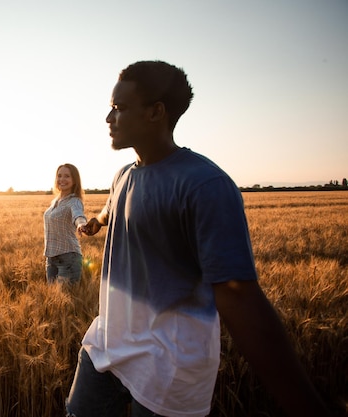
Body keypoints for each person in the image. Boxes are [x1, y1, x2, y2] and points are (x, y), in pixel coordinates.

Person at [65, 61, 331, 417]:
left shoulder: (205, 186)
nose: (108, 118)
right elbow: (112, 209)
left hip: (168, 366)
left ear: (155, 112)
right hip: (107, 346)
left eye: (119, 108)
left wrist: (307, 407)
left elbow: (240, 297)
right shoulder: (123, 176)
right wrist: (97, 223)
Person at [43, 163, 87, 284]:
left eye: (67, 176)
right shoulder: (55, 201)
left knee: (66, 300)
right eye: (59, 176)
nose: (62, 179)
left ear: (74, 180)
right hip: (51, 259)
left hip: (68, 258)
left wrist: (81, 224)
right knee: (53, 300)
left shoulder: (74, 201)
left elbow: (78, 215)